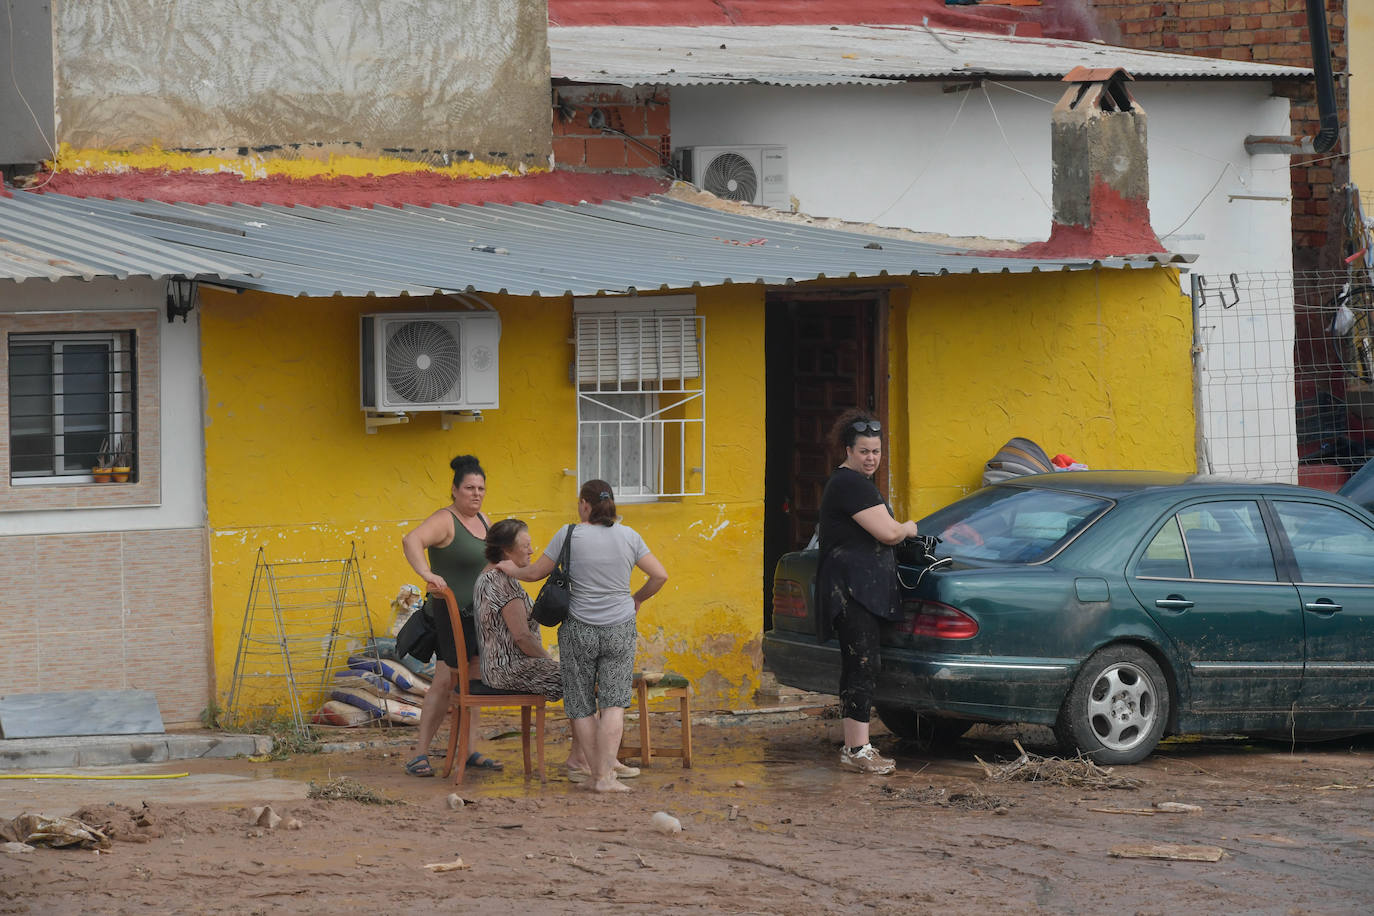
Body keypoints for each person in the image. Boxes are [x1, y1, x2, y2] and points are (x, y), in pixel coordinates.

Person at [500, 480, 668, 792]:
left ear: (585, 505)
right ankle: (605, 777)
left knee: (581, 706)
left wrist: (507, 568)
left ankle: (598, 777)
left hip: (579, 629)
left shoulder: (570, 534)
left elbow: (535, 572)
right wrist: (638, 598)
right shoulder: (629, 536)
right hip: (620, 628)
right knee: (614, 704)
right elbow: (660, 575)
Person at [817, 410, 920, 776]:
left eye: (876, 451)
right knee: (862, 664)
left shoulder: (858, 483)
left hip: (858, 587)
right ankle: (857, 749)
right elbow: (889, 533)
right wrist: (910, 527)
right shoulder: (851, 484)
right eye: (864, 451)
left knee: (861, 664)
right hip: (852, 589)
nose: (871, 458)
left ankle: (855, 747)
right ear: (848, 449)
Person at [400, 454, 501, 777]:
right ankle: (419, 754)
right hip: (448, 615)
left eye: (481, 488)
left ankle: (468, 749)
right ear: (455, 490)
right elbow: (411, 539)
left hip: (477, 616)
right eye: (469, 487)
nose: (476, 493)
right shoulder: (445, 520)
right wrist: (426, 573)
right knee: (444, 682)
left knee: (474, 682)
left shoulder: (484, 521)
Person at [474, 519, 563, 700]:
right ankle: (600, 726)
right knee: (582, 679)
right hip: (510, 670)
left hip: (501, 669)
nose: (531, 551)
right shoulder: (501, 581)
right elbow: (522, 637)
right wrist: (549, 661)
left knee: (582, 678)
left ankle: (595, 726)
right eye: (526, 546)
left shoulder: (489, 576)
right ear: (506, 550)